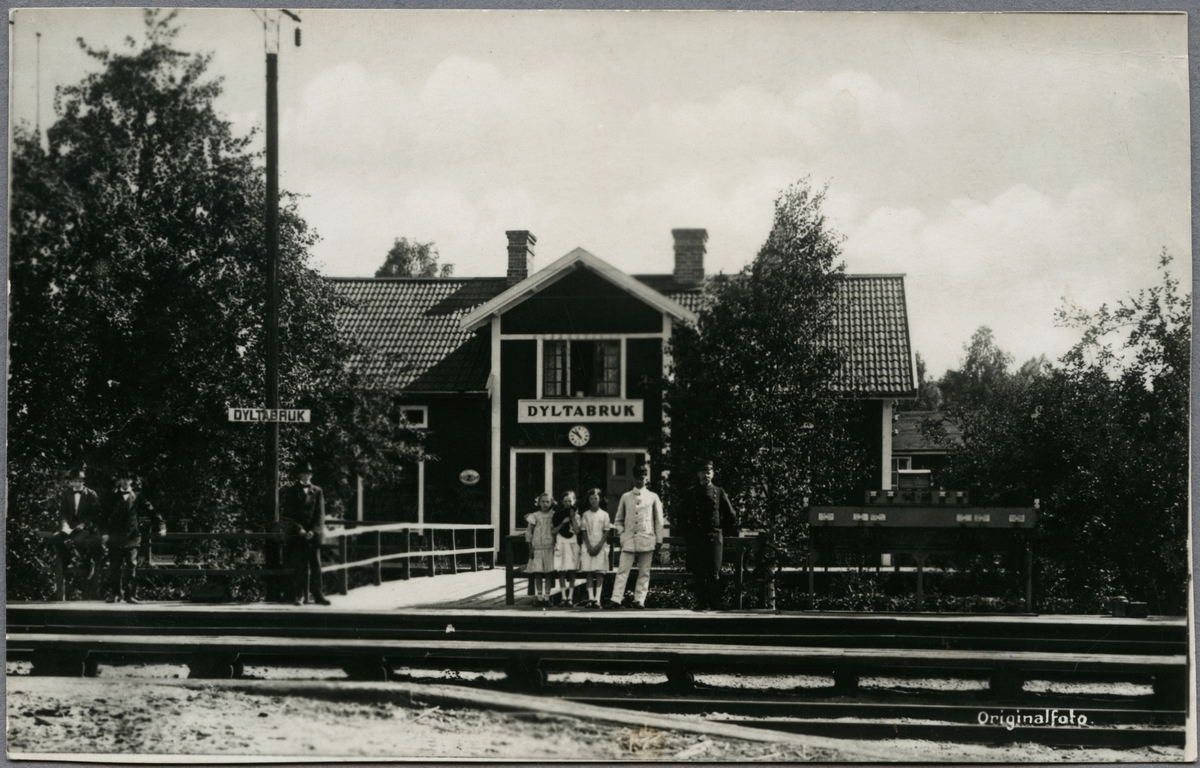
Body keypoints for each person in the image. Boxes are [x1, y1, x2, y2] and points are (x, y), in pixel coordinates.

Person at [676, 459, 739, 611]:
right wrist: (688, 533)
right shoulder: (691, 493)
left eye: (708, 472)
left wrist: (721, 531)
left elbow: (731, 515)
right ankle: (701, 603)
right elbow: (680, 515)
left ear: (713, 474)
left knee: (714, 572)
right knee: (698, 572)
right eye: (703, 472)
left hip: (714, 539)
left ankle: (715, 603)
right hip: (696, 538)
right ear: (698, 474)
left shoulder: (719, 491)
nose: (706, 475)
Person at [101, 468, 166, 604]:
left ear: (131, 481)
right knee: (115, 567)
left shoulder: (138, 496)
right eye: (122, 479)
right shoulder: (111, 496)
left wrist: (161, 527)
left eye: (128, 479)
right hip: (115, 537)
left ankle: (130, 596)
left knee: (132, 566)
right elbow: (104, 516)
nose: (125, 481)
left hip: (132, 537)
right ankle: (115, 595)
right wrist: (105, 533)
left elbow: (152, 511)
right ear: (119, 481)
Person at [608, 465, 665, 610]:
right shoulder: (626, 497)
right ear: (633, 478)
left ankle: (639, 600)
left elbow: (659, 521)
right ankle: (616, 599)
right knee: (622, 571)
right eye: (637, 478)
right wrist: (622, 533)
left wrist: (659, 540)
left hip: (647, 539)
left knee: (644, 572)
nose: (640, 481)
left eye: (642, 478)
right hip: (629, 540)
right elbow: (618, 520)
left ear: (646, 478)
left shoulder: (653, 497)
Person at [281, 460, 330, 606]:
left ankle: (318, 595)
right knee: (300, 565)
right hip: (299, 534)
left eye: (308, 473)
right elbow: (287, 515)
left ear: (311, 475)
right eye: (303, 473)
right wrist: (299, 529)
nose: (305, 476)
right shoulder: (291, 491)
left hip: (313, 535)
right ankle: (299, 595)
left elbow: (320, 514)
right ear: (299, 475)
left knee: (316, 565)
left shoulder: (318, 491)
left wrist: (314, 531)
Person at [51, 468, 104, 600]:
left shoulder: (91, 494)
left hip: (85, 527)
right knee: (55, 538)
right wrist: (64, 524)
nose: (77, 483)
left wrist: (84, 524)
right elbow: (63, 512)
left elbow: (96, 513)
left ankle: (88, 562)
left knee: (79, 541)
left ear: (83, 482)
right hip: (70, 526)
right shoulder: (66, 493)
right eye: (75, 481)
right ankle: (67, 559)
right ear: (70, 482)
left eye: (80, 481)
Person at [577, 488, 611, 609]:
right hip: (588, 546)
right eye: (591, 498)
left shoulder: (604, 514)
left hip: (600, 546)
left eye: (595, 498)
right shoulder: (585, 514)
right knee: (589, 572)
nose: (593, 501)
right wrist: (589, 546)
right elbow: (583, 531)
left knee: (599, 572)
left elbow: (606, 531)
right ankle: (590, 598)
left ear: (600, 499)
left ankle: (597, 599)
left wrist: (599, 546)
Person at [525, 493, 556, 606]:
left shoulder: (553, 515)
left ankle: (547, 597)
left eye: (547, 502)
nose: (545, 504)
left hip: (549, 548)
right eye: (542, 501)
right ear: (538, 503)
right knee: (537, 573)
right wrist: (530, 549)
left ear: (551, 503)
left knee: (548, 573)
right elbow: (529, 533)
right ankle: (539, 597)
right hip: (537, 548)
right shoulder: (534, 516)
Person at [552, 490, 582, 607]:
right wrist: (563, 522)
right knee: (562, 571)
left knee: (572, 571)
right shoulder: (557, 515)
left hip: (572, 544)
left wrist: (572, 517)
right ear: (562, 502)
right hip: (561, 544)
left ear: (574, 501)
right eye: (565, 501)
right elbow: (553, 531)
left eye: (570, 501)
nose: (567, 503)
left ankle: (570, 597)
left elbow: (577, 531)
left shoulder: (577, 515)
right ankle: (563, 597)